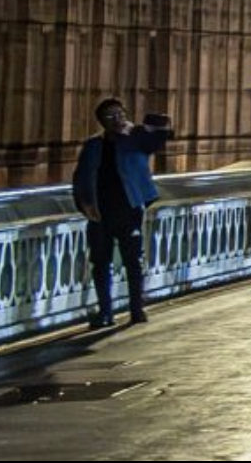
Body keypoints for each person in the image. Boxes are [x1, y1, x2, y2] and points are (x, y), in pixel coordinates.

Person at [71, 97, 174, 329]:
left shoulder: (136, 140)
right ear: (101, 122)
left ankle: (136, 310)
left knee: (133, 261)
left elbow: (162, 134)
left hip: (128, 208)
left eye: (120, 113)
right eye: (110, 116)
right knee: (100, 261)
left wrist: (139, 127)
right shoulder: (93, 146)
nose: (116, 118)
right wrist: (84, 205)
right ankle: (105, 312)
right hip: (99, 211)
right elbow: (80, 178)